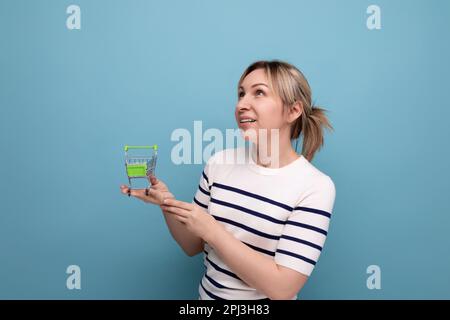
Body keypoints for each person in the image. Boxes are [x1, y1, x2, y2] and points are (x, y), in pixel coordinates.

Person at [120, 60, 336, 300]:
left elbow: (282, 288)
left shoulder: (315, 186)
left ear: (293, 111)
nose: (242, 104)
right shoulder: (219, 163)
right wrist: (167, 203)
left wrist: (213, 231)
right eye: (241, 94)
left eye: (259, 93)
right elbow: (193, 246)